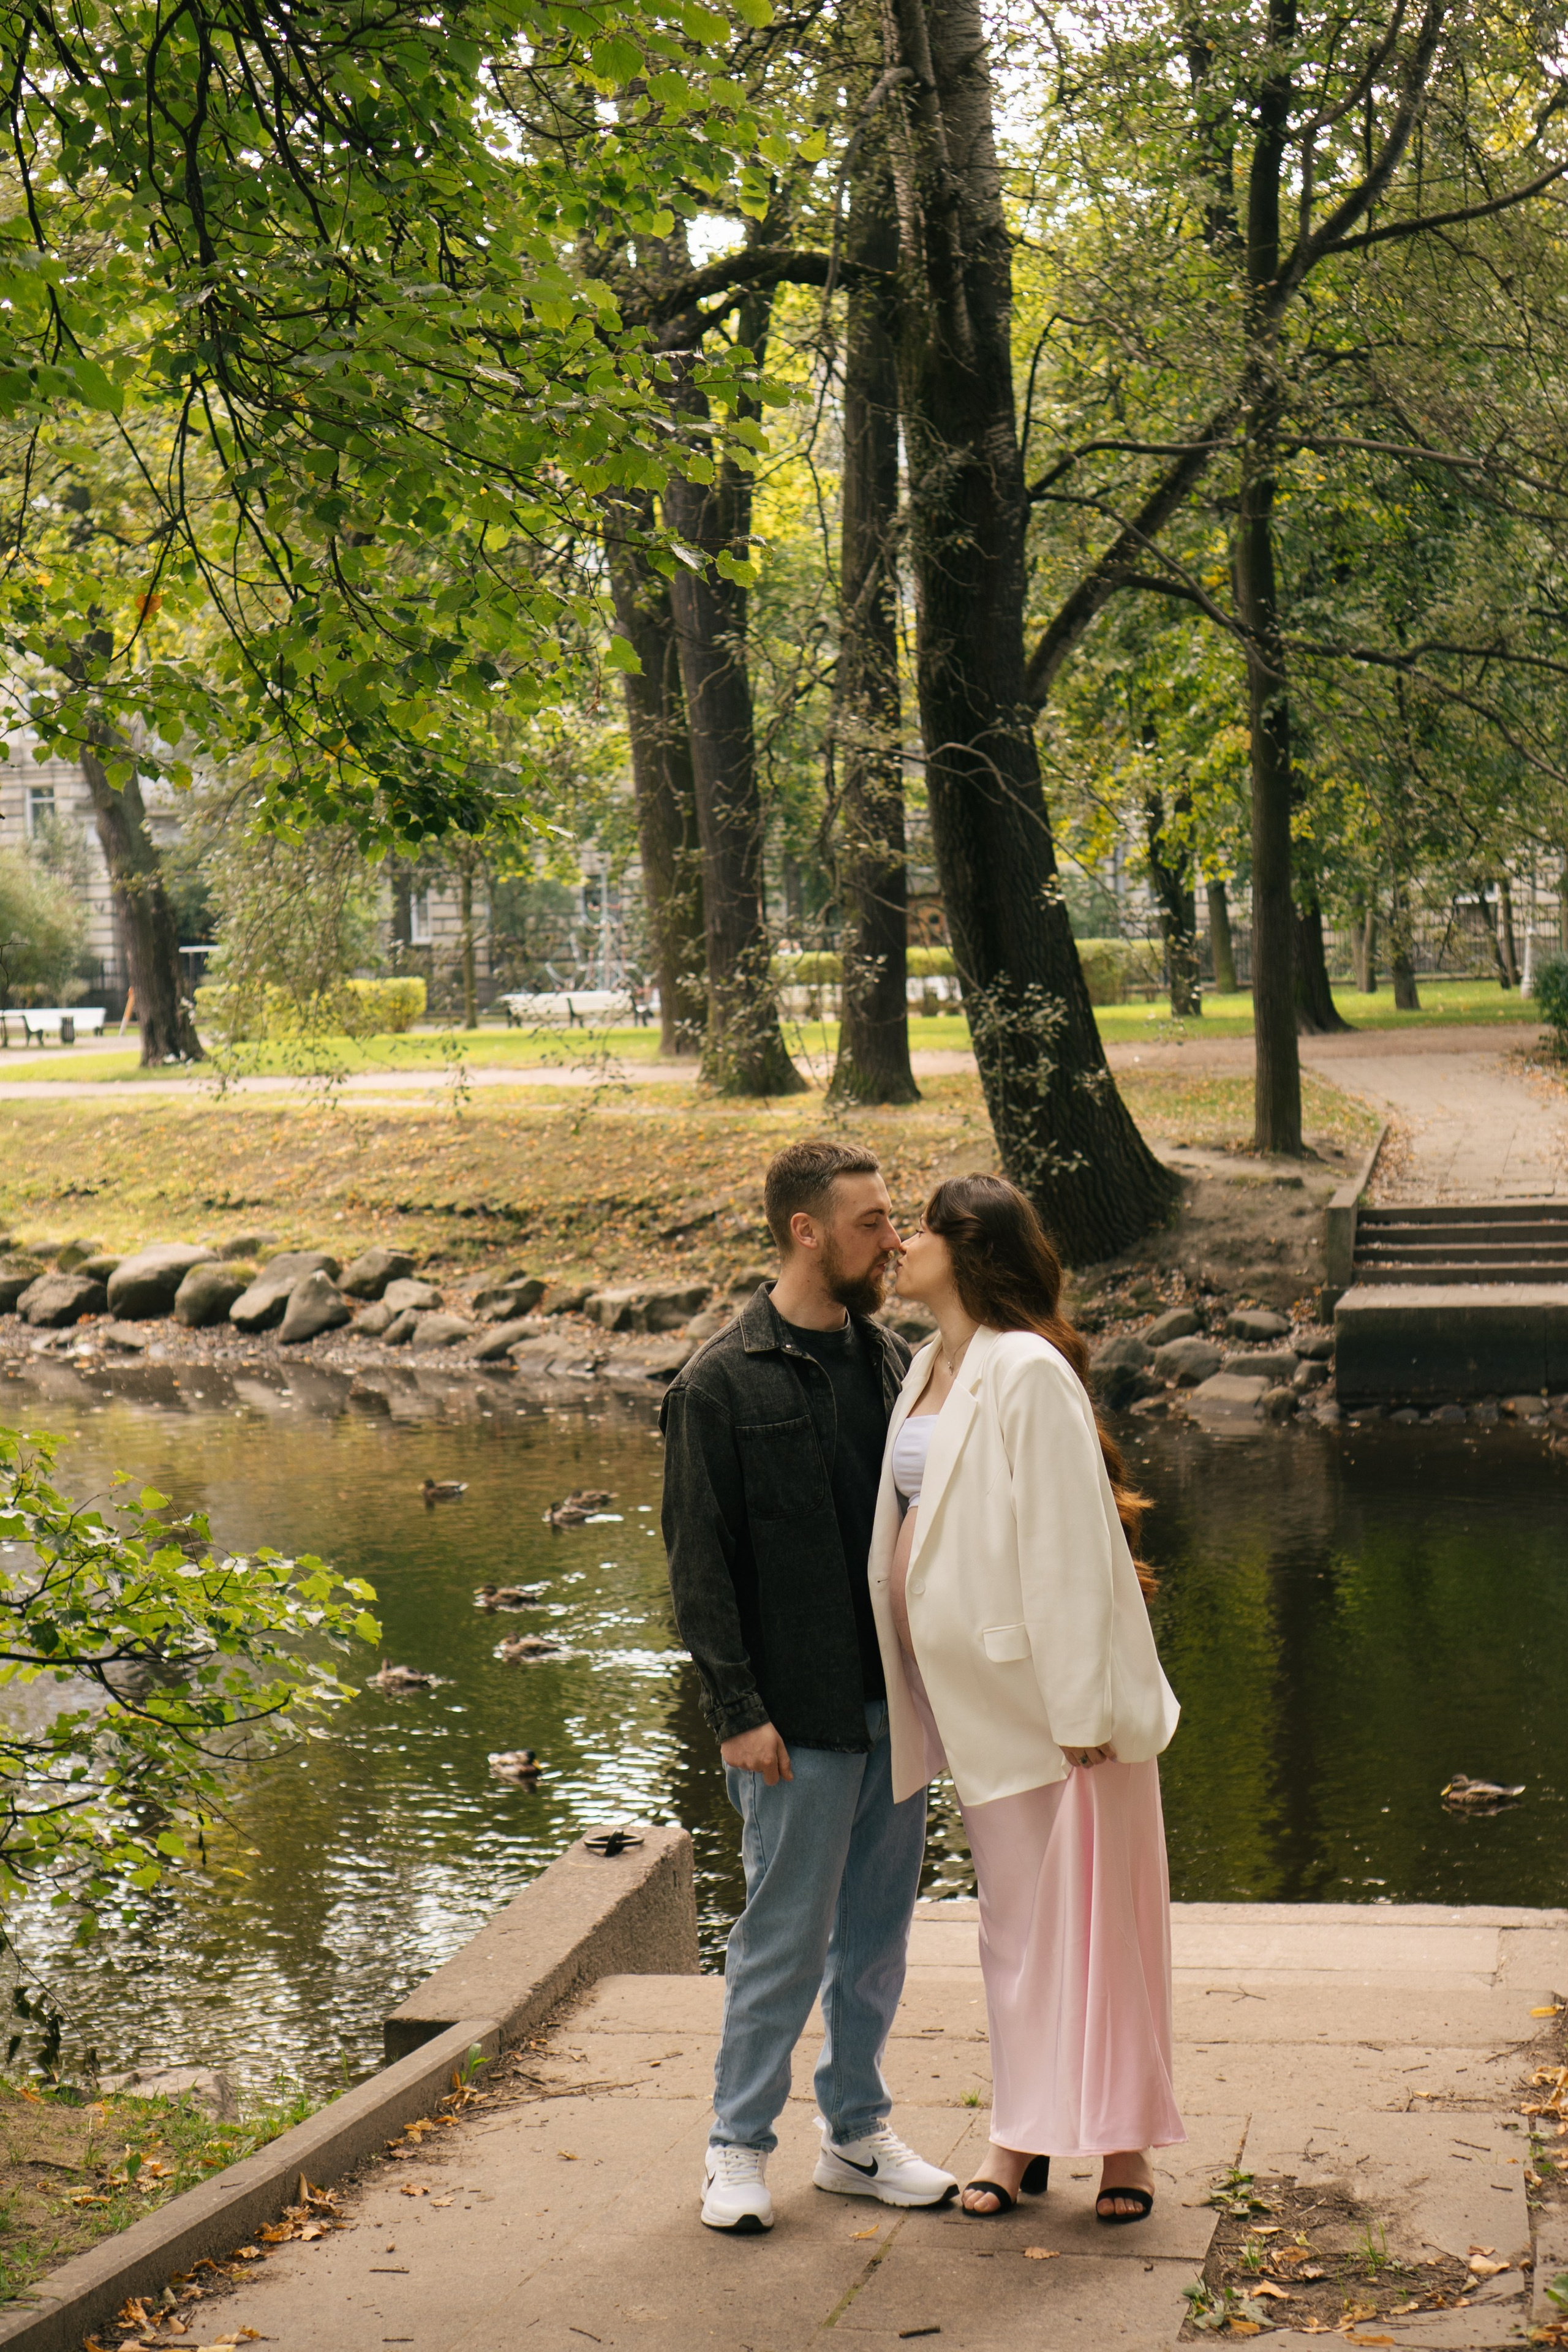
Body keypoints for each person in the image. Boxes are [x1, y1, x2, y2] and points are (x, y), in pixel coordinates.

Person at [869, 1173, 1185, 2223]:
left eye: (920, 1229)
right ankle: (1025, 2130)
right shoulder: (929, 1365)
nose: (902, 1243)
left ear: (968, 1248)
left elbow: (1067, 1545)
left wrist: (1082, 1709)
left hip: (1054, 1711)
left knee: (1097, 1929)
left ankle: (1125, 2148)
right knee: (1014, 1932)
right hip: (973, 1704)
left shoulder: (1027, 1368)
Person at [661, 1139, 959, 2234]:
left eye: (891, 1220)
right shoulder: (716, 1384)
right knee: (783, 1943)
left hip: (897, 1708)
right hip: (794, 1724)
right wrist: (738, 1713)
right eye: (873, 1222)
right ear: (807, 1231)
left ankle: (856, 2137)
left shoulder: (896, 1364)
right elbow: (698, 1569)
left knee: (876, 1941)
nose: (894, 1240)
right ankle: (736, 2148)